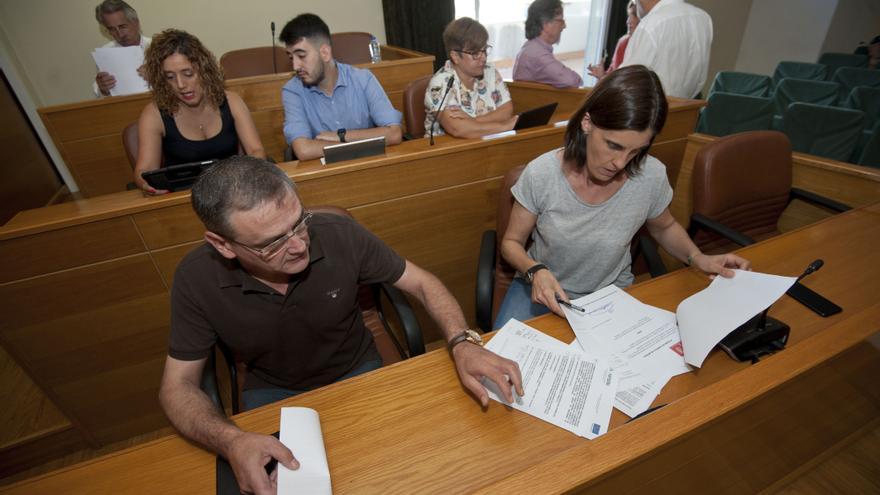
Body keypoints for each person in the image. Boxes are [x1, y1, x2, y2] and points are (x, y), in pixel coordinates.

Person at [158, 155, 523, 494]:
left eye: (299, 222)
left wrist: (463, 342)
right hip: (274, 389)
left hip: (359, 370)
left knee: (411, 470)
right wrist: (231, 440)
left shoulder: (338, 233)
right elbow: (177, 387)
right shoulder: (196, 279)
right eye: (272, 244)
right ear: (223, 245)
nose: (299, 245)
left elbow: (423, 284)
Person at [494, 65, 749, 328]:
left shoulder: (650, 175)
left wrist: (698, 257)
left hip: (611, 297)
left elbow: (665, 227)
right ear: (587, 122)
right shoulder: (542, 174)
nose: (620, 163)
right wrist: (535, 270)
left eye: (635, 151)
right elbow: (511, 243)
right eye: (613, 146)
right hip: (542, 288)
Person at [133, 29, 266, 194]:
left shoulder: (231, 101)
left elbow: (256, 151)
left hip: (231, 192)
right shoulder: (154, 113)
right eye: (170, 77)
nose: (180, 84)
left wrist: (247, 176)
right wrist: (147, 185)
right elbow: (144, 171)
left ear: (204, 70)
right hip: (182, 196)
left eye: (188, 74)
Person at [280, 14, 402, 161]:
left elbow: (394, 134)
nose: (295, 66)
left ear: (324, 53)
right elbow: (304, 150)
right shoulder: (292, 91)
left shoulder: (362, 79)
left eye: (301, 56)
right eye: (291, 57)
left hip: (368, 165)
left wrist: (339, 136)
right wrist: (366, 139)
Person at [424, 17, 518, 139]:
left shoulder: (490, 71)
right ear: (455, 56)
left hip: (487, 144)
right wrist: (506, 127)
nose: (483, 57)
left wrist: (472, 120)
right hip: (448, 151)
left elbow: (506, 111)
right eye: (475, 53)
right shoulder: (441, 83)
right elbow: (458, 129)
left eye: (484, 50)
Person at [619, 0, 712, 99]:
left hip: (653, 110)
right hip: (687, 109)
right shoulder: (703, 18)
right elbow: (700, 78)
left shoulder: (651, 24)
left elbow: (626, 82)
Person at [512, 0, 583, 88]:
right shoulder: (537, 54)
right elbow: (572, 80)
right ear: (546, 25)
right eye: (561, 21)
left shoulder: (531, 48)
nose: (564, 26)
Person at [93, 0, 150, 97]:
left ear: (136, 22)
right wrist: (102, 88)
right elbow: (98, 91)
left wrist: (158, 77)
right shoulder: (106, 53)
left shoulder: (158, 46)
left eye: (122, 27)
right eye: (112, 29)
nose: (120, 34)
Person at [588, 1, 639, 79]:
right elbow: (612, 73)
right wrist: (602, 75)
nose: (628, 21)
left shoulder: (648, 45)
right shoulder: (623, 42)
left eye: (634, 16)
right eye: (629, 16)